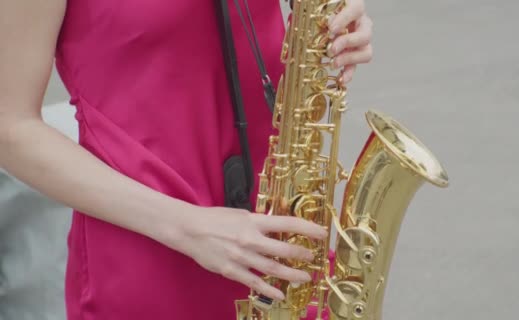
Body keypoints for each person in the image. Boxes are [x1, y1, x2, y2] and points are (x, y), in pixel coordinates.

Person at [0, 0, 373, 319]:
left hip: (280, 241)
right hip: (149, 256)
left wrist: (342, 29)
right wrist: (189, 228)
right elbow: (10, 125)